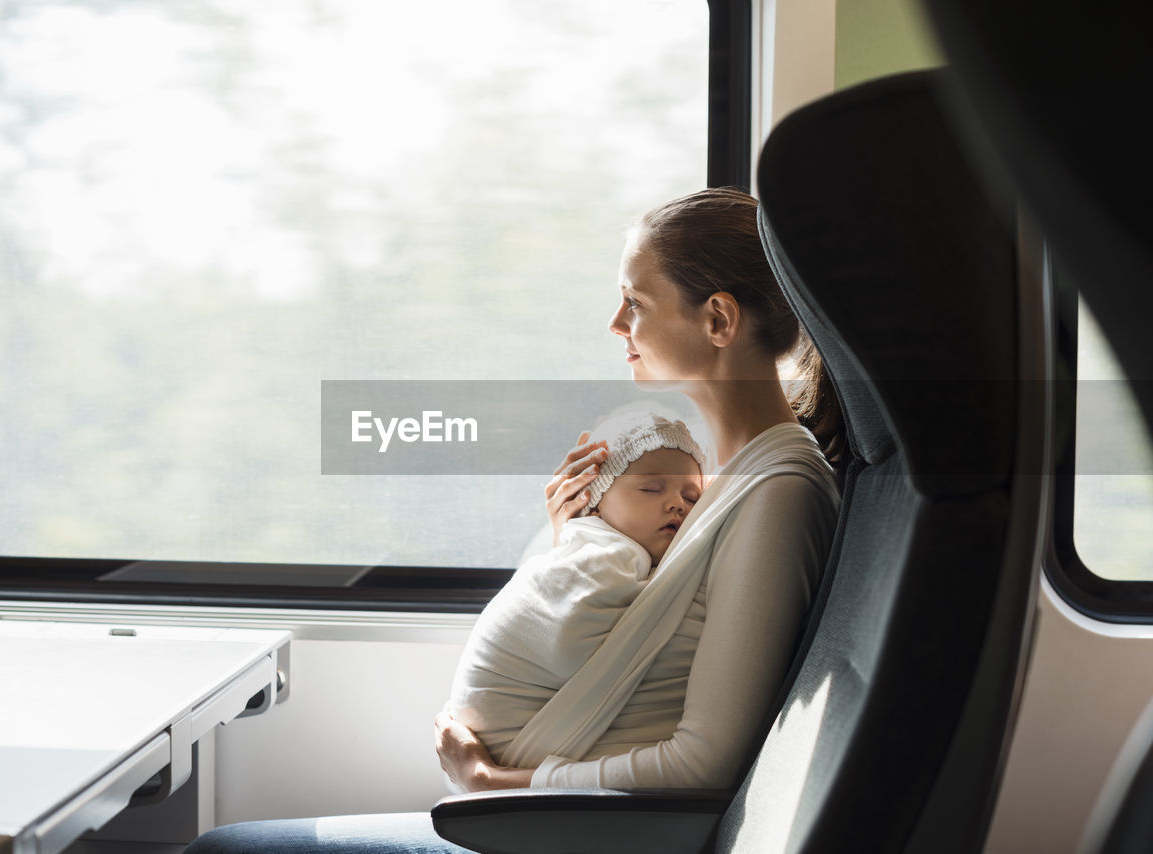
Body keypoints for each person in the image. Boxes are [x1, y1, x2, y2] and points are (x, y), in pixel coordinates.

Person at [184, 186, 844, 853]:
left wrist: (498, 782)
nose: (616, 324)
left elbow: (704, 763)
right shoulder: (716, 482)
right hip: (555, 811)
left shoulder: (779, 492)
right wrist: (585, 548)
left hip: (582, 824)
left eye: (636, 303)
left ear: (720, 321)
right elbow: (656, 637)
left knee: (223, 849)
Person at [447, 410, 707, 770]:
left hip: (497, 752)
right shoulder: (604, 554)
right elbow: (575, 642)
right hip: (508, 753)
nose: (678, 503)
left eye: (692, 497)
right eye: (651, 488)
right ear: (594, 501)